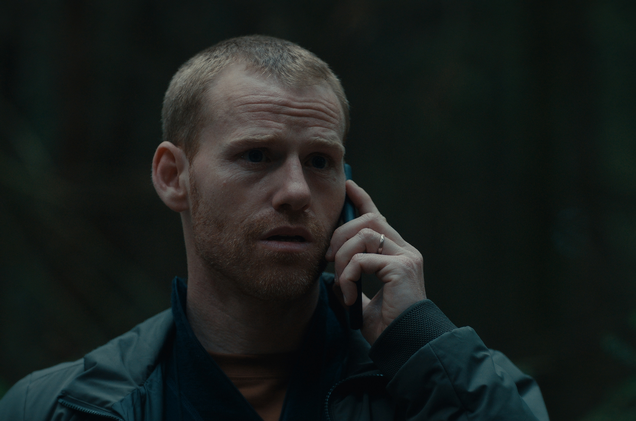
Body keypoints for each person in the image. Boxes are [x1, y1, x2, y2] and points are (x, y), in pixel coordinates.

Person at [0, 35, 549, 421]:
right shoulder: (56, 407)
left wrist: (419, 341)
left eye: (320, 162)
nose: (296, 191)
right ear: (173, 176)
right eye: (256, 155)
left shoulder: (445, 385)